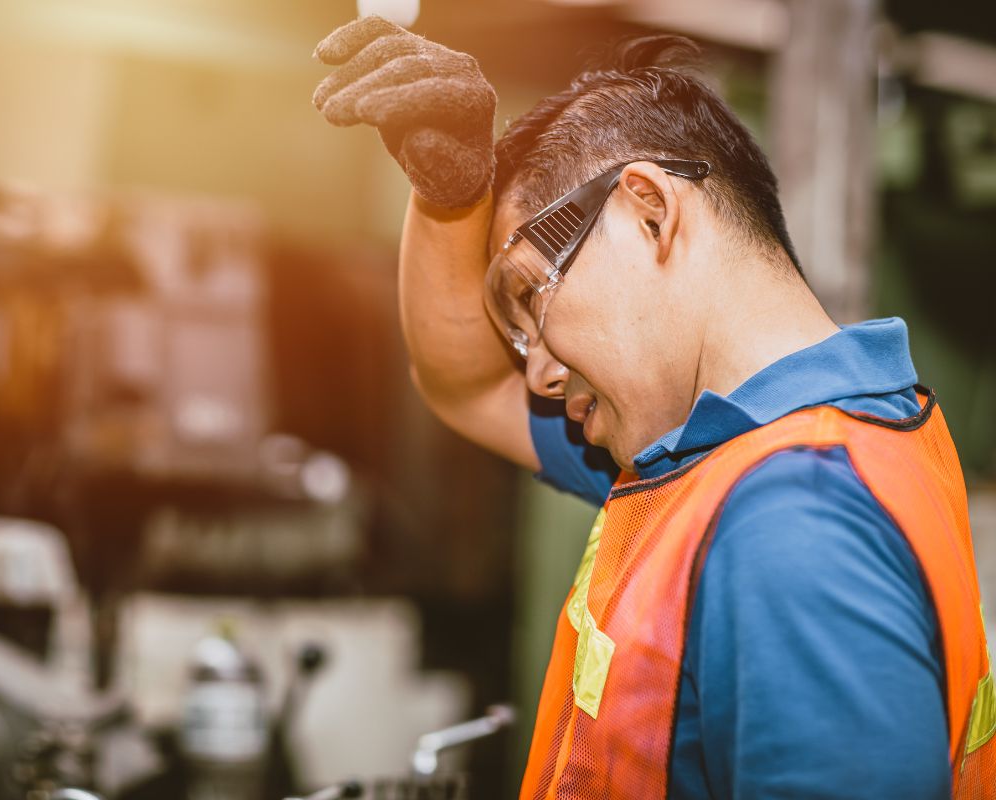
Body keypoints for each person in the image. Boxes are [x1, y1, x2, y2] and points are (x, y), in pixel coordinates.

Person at [313, 16, 996, 799]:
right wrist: (450, 201)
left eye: (533, 300)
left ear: (648, 211)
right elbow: (466, 385)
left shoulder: (792, 522)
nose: (534, 373)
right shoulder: (721, 455)